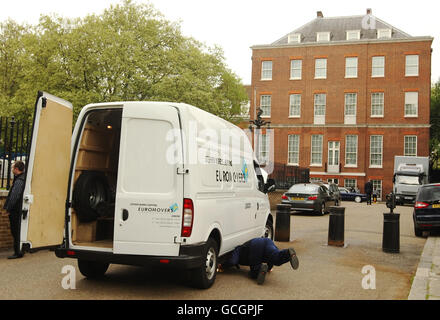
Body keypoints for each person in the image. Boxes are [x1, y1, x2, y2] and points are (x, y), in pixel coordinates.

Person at [219, 237, 299, 285]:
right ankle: (288, 253)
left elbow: (233, 261)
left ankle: (260, 268)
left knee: (254, 272)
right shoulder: (243, 247)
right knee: (276, 257)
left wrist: (222, 266)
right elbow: (270, 259)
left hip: (255, 246)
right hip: (267, 241)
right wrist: (269, 268)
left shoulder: (238, 249)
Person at [3, 161, 26, 259]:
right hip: (18, 210)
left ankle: (18, 252)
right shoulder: (22, 178)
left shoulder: (19, 180)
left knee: (15, 231)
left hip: (16, 211)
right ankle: (20, 250)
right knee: (18, 231)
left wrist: (8, 208)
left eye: (13, 168)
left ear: (16, 169)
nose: (12, 170)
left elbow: (14, 196)